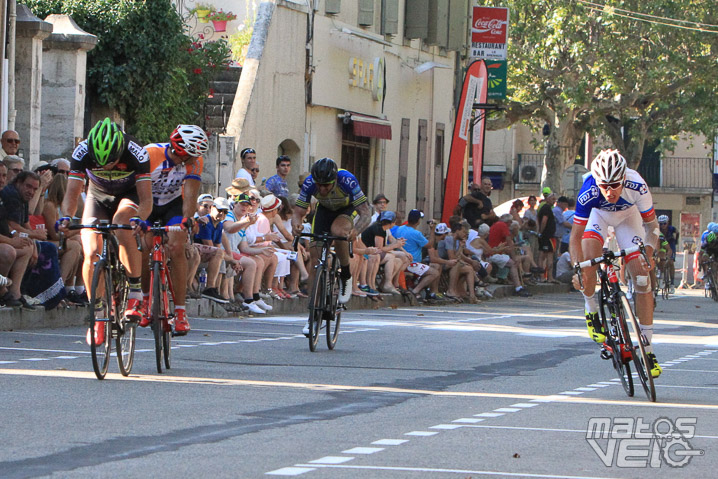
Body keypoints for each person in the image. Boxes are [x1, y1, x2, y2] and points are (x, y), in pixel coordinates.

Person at [570, 149, 661, 378]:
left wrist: (648, 253)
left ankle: (647, 349)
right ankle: (591, 308)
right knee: (588, 262)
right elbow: (575, 237)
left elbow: (652, 227)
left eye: (614, 185)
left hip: (628, 217)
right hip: (598, 216)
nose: (609, 192)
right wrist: (577, 268)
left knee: (642, 278)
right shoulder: (589, 191)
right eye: (604, 186)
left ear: (623, 179)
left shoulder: (637, 185)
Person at [61, 118, 152, 346]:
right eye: (100, 163)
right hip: (97, 197)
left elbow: (146, 199)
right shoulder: (81, 152)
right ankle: (98, 312)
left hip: (128, 196)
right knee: (91, 252)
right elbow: (72, 194)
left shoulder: (136, 152)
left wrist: (139, 219)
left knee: (122, 224)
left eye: (111, 162)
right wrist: (66, 217)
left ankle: (135, 292)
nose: (107, 166)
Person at [136, 124, 209, 334]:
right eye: (193, 155)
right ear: (182, 153)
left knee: (177, 247)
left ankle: (180, 312)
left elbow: (191, 195)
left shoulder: (196, 162)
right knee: (145, 247)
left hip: (173, 205)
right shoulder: (150, 154)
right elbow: (136, 190)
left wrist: (187, 220)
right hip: (147, 203)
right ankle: (145, 300)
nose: (197, 159)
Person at [292, 158, 372, 333]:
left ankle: (346, 274)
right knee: (315, 262)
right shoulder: (309, 182)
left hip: (347, 209)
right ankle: (313, 315)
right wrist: (296, 225)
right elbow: (298, 212)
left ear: (335, 179)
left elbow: (366, 214)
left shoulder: (347, 180)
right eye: (319, 185)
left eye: (326, 185)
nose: (322, 189)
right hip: (324, 211)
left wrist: (356, 230)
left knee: (338, 231)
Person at [0, 163, 35, 307]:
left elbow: (8, 225)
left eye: (3, 175)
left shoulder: (1, 196)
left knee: (27, 247)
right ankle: (2, 291)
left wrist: (15, 235)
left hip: (5, 239)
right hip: (4, 245)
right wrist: (11, 241)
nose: (2, 180)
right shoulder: (10, 195)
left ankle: (15, 293)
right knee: (8, 251)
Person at [537, 192, 558, 282]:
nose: (554, 201)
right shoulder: (546, 208)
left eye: (555, 200)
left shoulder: (548, 208)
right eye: (553, 199)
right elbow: (544, 221)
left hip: (549, 236)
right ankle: (542, 276)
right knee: (543, 256)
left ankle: (549, 277)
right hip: (547, 236)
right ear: (547, 199)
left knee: (549, 256)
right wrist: (541, 232)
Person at [658, 215, 678, 290]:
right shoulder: (658, 229)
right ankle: (660, 273)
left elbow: (677, 232)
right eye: (661, 224)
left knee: (671, 262)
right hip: (662, 243)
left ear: (668, 223)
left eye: (664, 223)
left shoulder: (671, 228)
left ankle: (672, 283)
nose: (663, 225)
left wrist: (676, 240)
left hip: (670, 243)